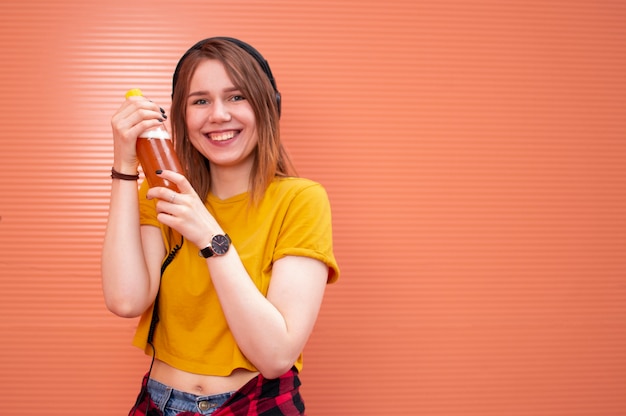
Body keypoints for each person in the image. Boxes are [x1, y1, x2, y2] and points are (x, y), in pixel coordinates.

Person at [101, 37, 339, 416]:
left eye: (236, 97)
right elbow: (126, 300)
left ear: (268, 107)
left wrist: (210, 238)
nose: (218, 115)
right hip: (158, 403)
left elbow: (276, 355)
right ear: (181, 117)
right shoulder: (164, 192)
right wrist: (126, 166)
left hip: (254, 404)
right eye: (200, 101)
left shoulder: (301, 200)